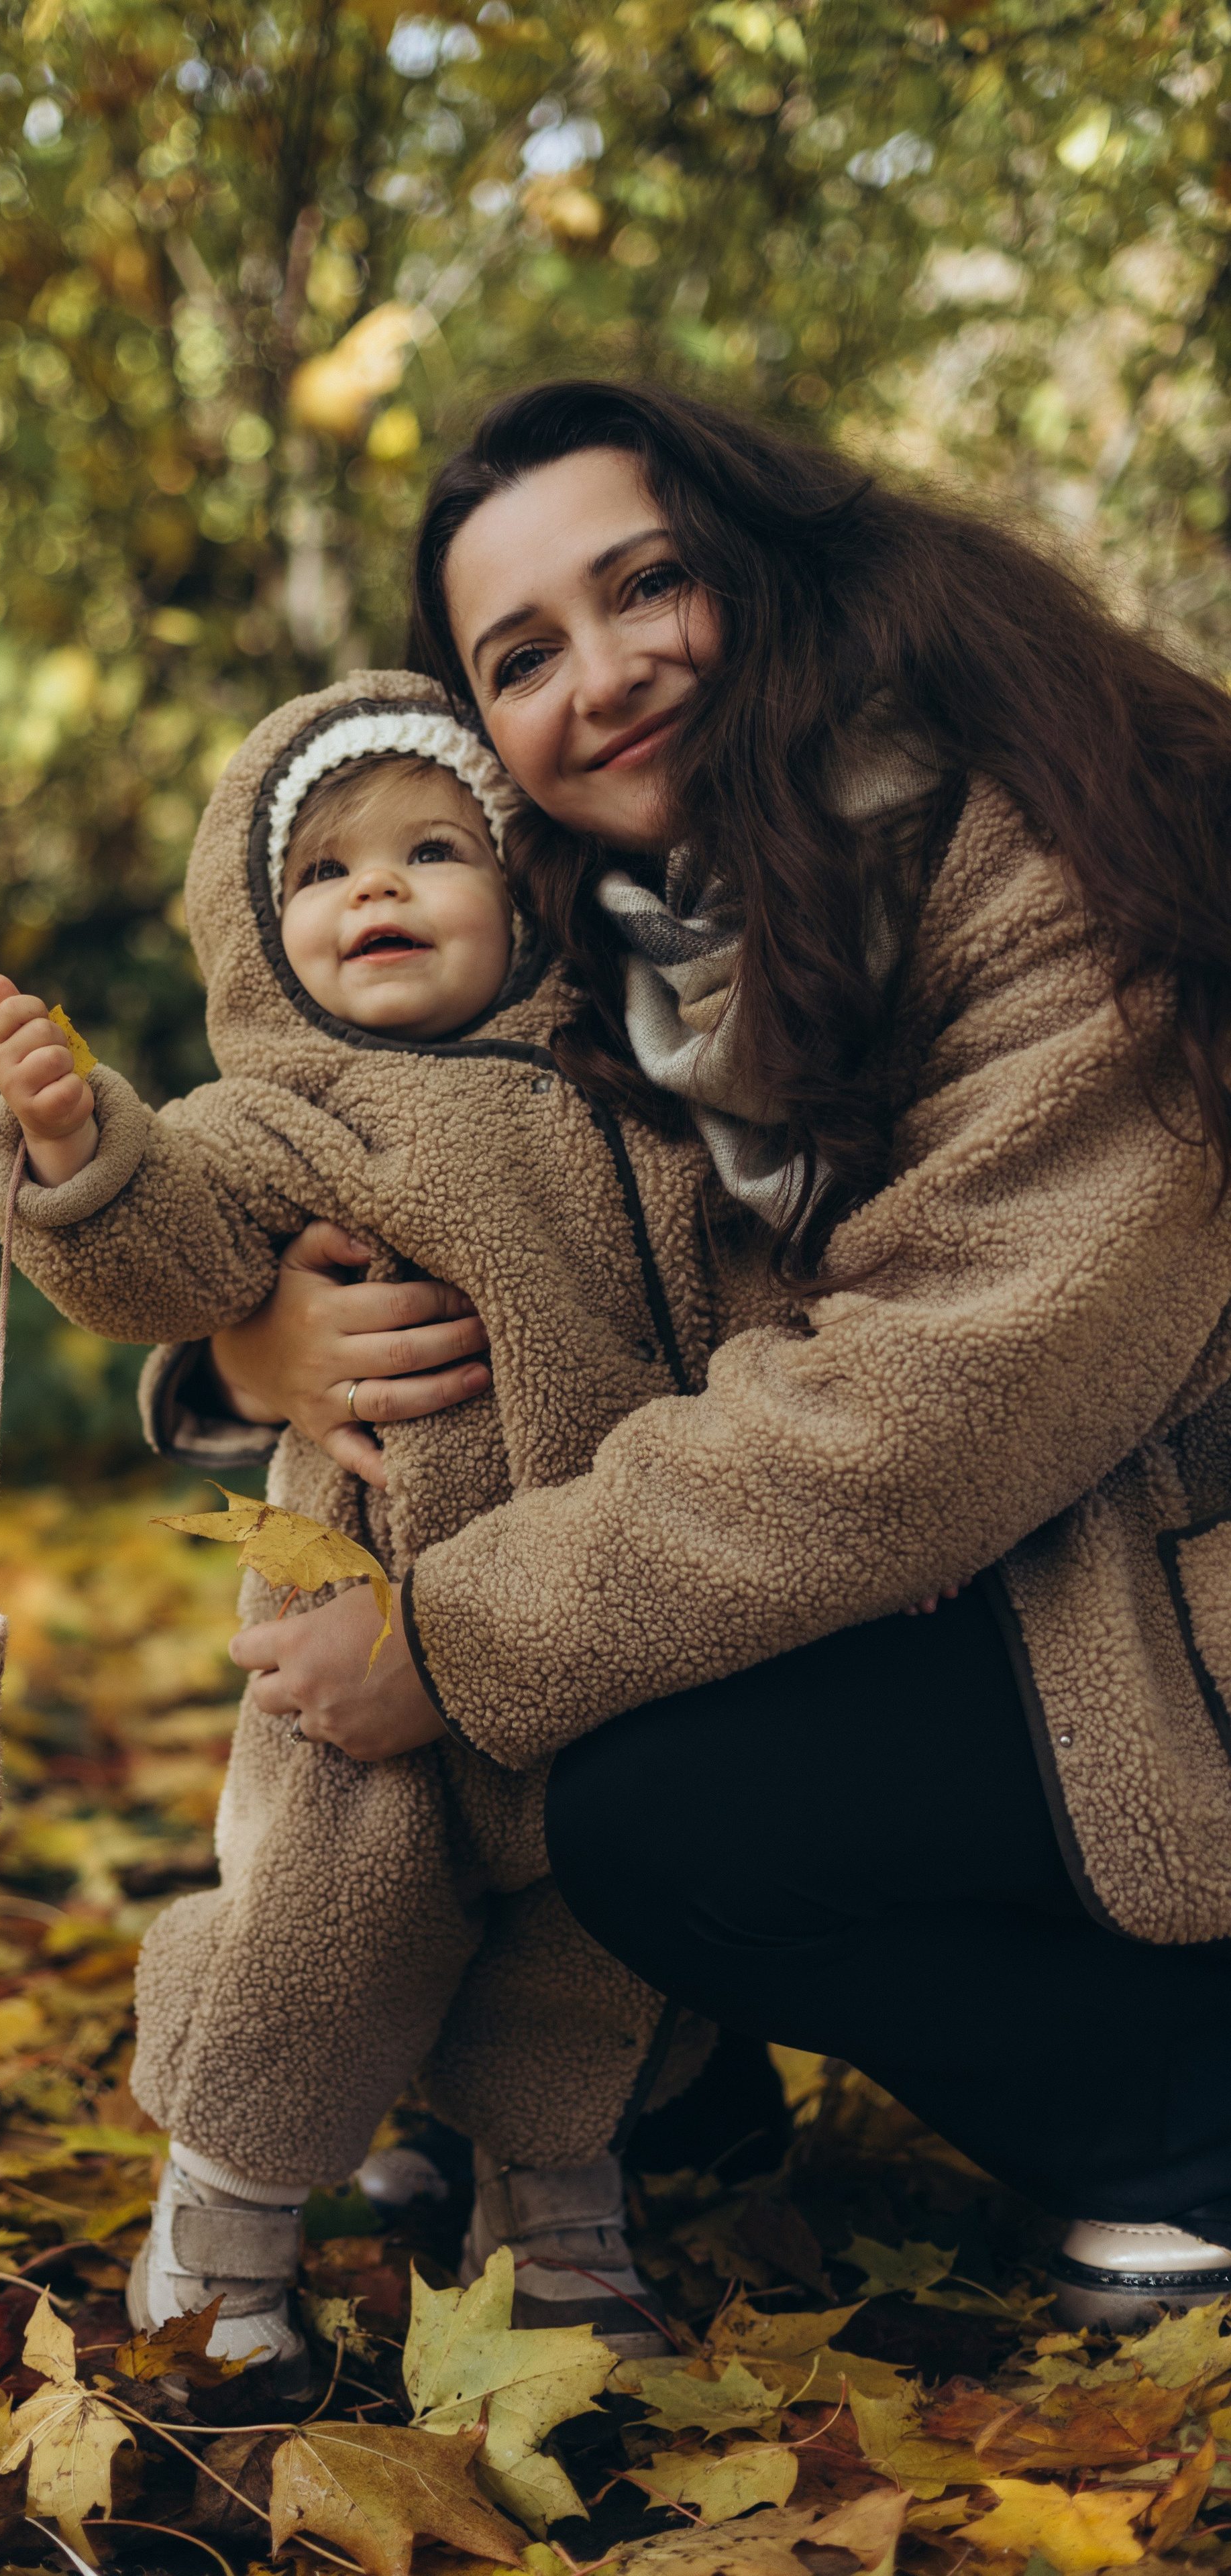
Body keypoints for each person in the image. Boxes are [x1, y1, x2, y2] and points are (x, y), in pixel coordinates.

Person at [158, 378, 1231, 2329]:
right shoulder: (634, 941)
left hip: (1166, 1562)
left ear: (767, 562)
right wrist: (260, 1347)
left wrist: (455, 1641)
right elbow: (475, 1212)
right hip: (1024, 1551)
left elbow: (948, 1387)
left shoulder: (1033, 831)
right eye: (522, 658)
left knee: (653, 1801)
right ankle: (655, 2102)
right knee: (548, 1655)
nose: (608, 675)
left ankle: (1184, 2122)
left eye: (648, 583)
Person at [0, 682, 719, 2376]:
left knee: (580, 1936)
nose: (373, 892)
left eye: (431, 852)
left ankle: (552, 2221)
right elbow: (163, 1248)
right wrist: (79, 1150)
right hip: (350, 1634)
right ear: (256, 930)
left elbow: (719, 1305)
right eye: (318, 870)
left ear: (528, 890)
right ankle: (222, 2219)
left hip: (587, 1632)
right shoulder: (277, 1118)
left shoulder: (628, 1103)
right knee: (317, 1930)